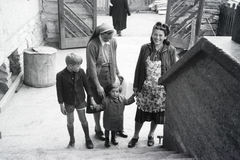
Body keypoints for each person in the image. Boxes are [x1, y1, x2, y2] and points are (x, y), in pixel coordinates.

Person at [127, 22, 176, 148]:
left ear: (165, 37)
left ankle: (151, 134)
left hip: (161, 91)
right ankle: (135, 135)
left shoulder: (171, 50)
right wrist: (136, 86)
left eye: (160, 35)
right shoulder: (145, 48)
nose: (157, 38)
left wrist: (171, 89)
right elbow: (139, 68)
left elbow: (173, 71)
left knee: (156, 115)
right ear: (152, 34)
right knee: (140, 115)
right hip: (145, 88)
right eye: (155, 34)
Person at [86, 23, 127, 141]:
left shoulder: (113, 41)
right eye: (106, 38)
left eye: (110, 37)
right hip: (96, 77)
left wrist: (117, 73)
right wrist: (98, 86)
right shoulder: (92, 45)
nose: (109, 40)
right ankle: (98, 128)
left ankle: (115, 127)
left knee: (114, 102)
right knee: (98, 103)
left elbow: (114, 58)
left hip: (110, 75)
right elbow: (91, 67)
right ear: (101, 34)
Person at [56, 53, 96, 149]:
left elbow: (86, 86)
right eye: (78, 65)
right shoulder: (60, 75)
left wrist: (91, 98)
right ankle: (72, 140)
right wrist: (61, 104)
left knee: (83, 120)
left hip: (80, 100)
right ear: (70, 66)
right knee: (70, 121)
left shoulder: (81, 72)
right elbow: (59, 90)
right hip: (68, 102)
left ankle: (87, 139)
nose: (80, 67)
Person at [94, 83, 135, 147]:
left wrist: (133, 96)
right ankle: (107, 140)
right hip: (108, 119)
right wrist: (96, 106)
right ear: (109, 92)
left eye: (117, 92)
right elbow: (101, 106)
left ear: (119, 92)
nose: (115, 93)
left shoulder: (122, 98)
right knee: (107, 129)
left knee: (114, 129)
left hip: (117, 118)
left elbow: (128, 101)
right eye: (113, 91)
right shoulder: (106, 100)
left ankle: (113, 138)